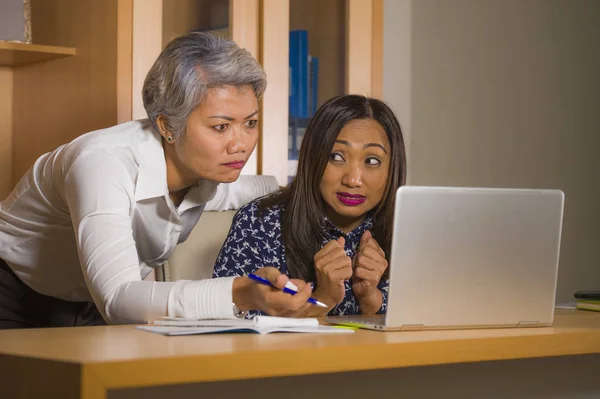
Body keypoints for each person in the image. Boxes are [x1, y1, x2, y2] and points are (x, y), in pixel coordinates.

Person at [0, 32, 312, 329]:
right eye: (221, 127)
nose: (240, 144)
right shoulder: (102, 163)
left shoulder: (203, 174)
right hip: (13, 293)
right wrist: (239, 291)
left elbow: (255, 190)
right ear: (167, 125)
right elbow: (118, 296)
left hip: (88, 303)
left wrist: (318, 185)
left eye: (251, 123)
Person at [213, 95, 407, 317]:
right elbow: (228, 327)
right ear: (313, 158)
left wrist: (370, 300)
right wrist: (323, 297)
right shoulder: (258, 223)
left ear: (392, 169)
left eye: (372, 161)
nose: (353, 180)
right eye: (336, 156)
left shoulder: (408, 233)